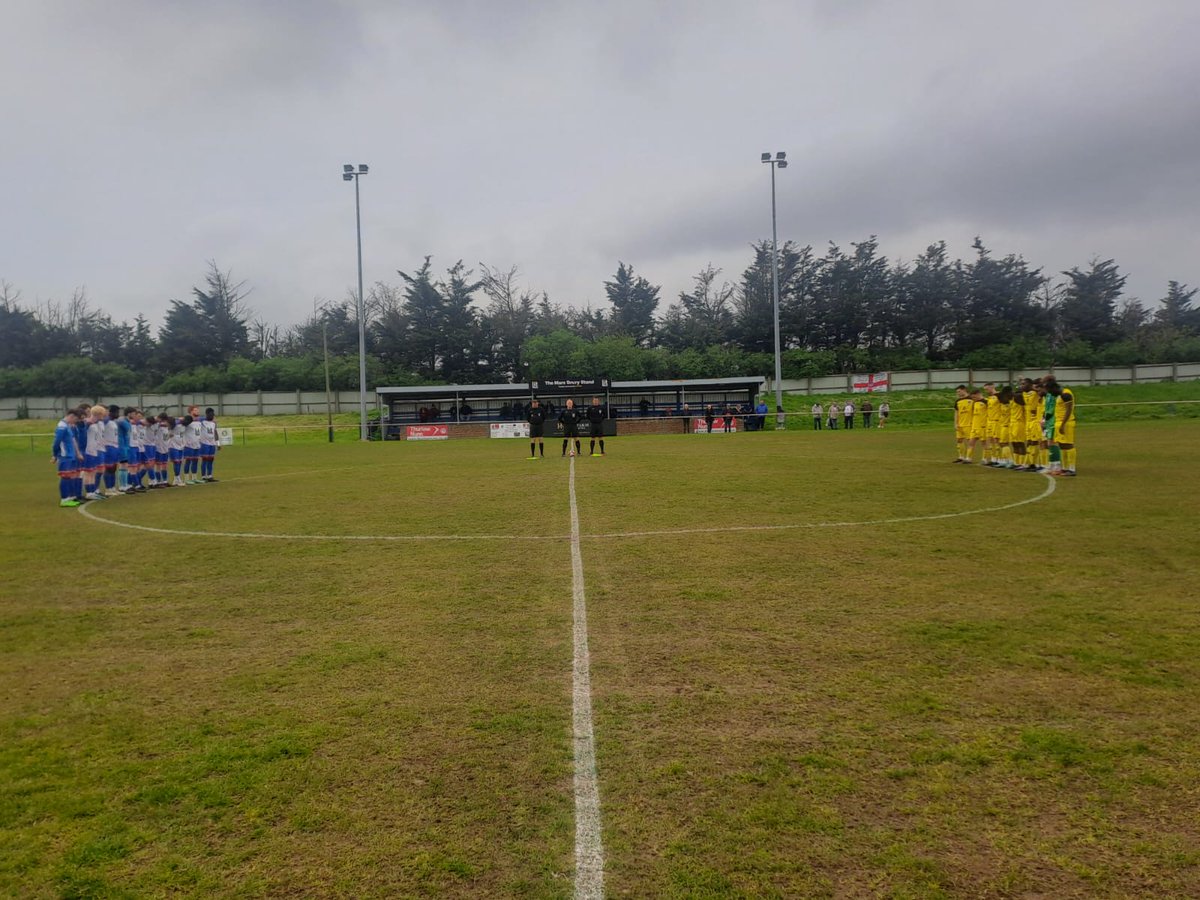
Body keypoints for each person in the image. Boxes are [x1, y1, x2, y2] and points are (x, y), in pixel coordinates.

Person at [52, 409, 83, 507]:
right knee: (65, 477)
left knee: (69, 477)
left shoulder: (67, 426)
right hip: (65, 456)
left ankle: (69, 497)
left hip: (70, 455)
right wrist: (55, 455)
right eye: (76, 419)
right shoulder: (62, 426)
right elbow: (56, 442)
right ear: (71, 416)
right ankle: (64, 499)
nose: (75, 422)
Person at [1056, 383, 1078, 476]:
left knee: (1069, 445)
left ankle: (1072, 469)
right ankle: (1064, 468)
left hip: (1066, 423)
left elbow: (1068, 410)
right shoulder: (1060, 395)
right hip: (1059, 422)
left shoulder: (1066, 394)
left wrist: (1063, 424)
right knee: (1062, 445)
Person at [953, 385, 971, 462]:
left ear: (964, 390)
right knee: (959, 440)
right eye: (957, 392)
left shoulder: (972, 399)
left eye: (959, 391)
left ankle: (968, 457)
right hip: (960, 424)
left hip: (969, 424)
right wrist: (955, 423)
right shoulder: (958, 401)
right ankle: (961, 457)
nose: (958, 393)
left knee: (969, 441)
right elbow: (956, 413)